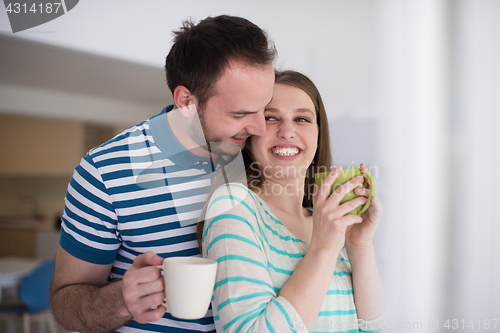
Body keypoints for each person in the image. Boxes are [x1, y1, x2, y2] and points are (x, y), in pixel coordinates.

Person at [50, 15, 276, 333]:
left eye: (264, 108)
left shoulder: (255, 153)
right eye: (239, 114)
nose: (260, 128)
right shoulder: (103, 173)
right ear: (185, 101)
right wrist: (122, 300)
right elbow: (65, 305)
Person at [199, 70, 387, 332]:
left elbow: (372, 329)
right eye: (271, 118)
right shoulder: (233, 206)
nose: (287, 131)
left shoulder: (328, 221)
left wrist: (359, 246)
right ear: (250, 134)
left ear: (319, 134)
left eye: (302, 118)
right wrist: (323, 248)